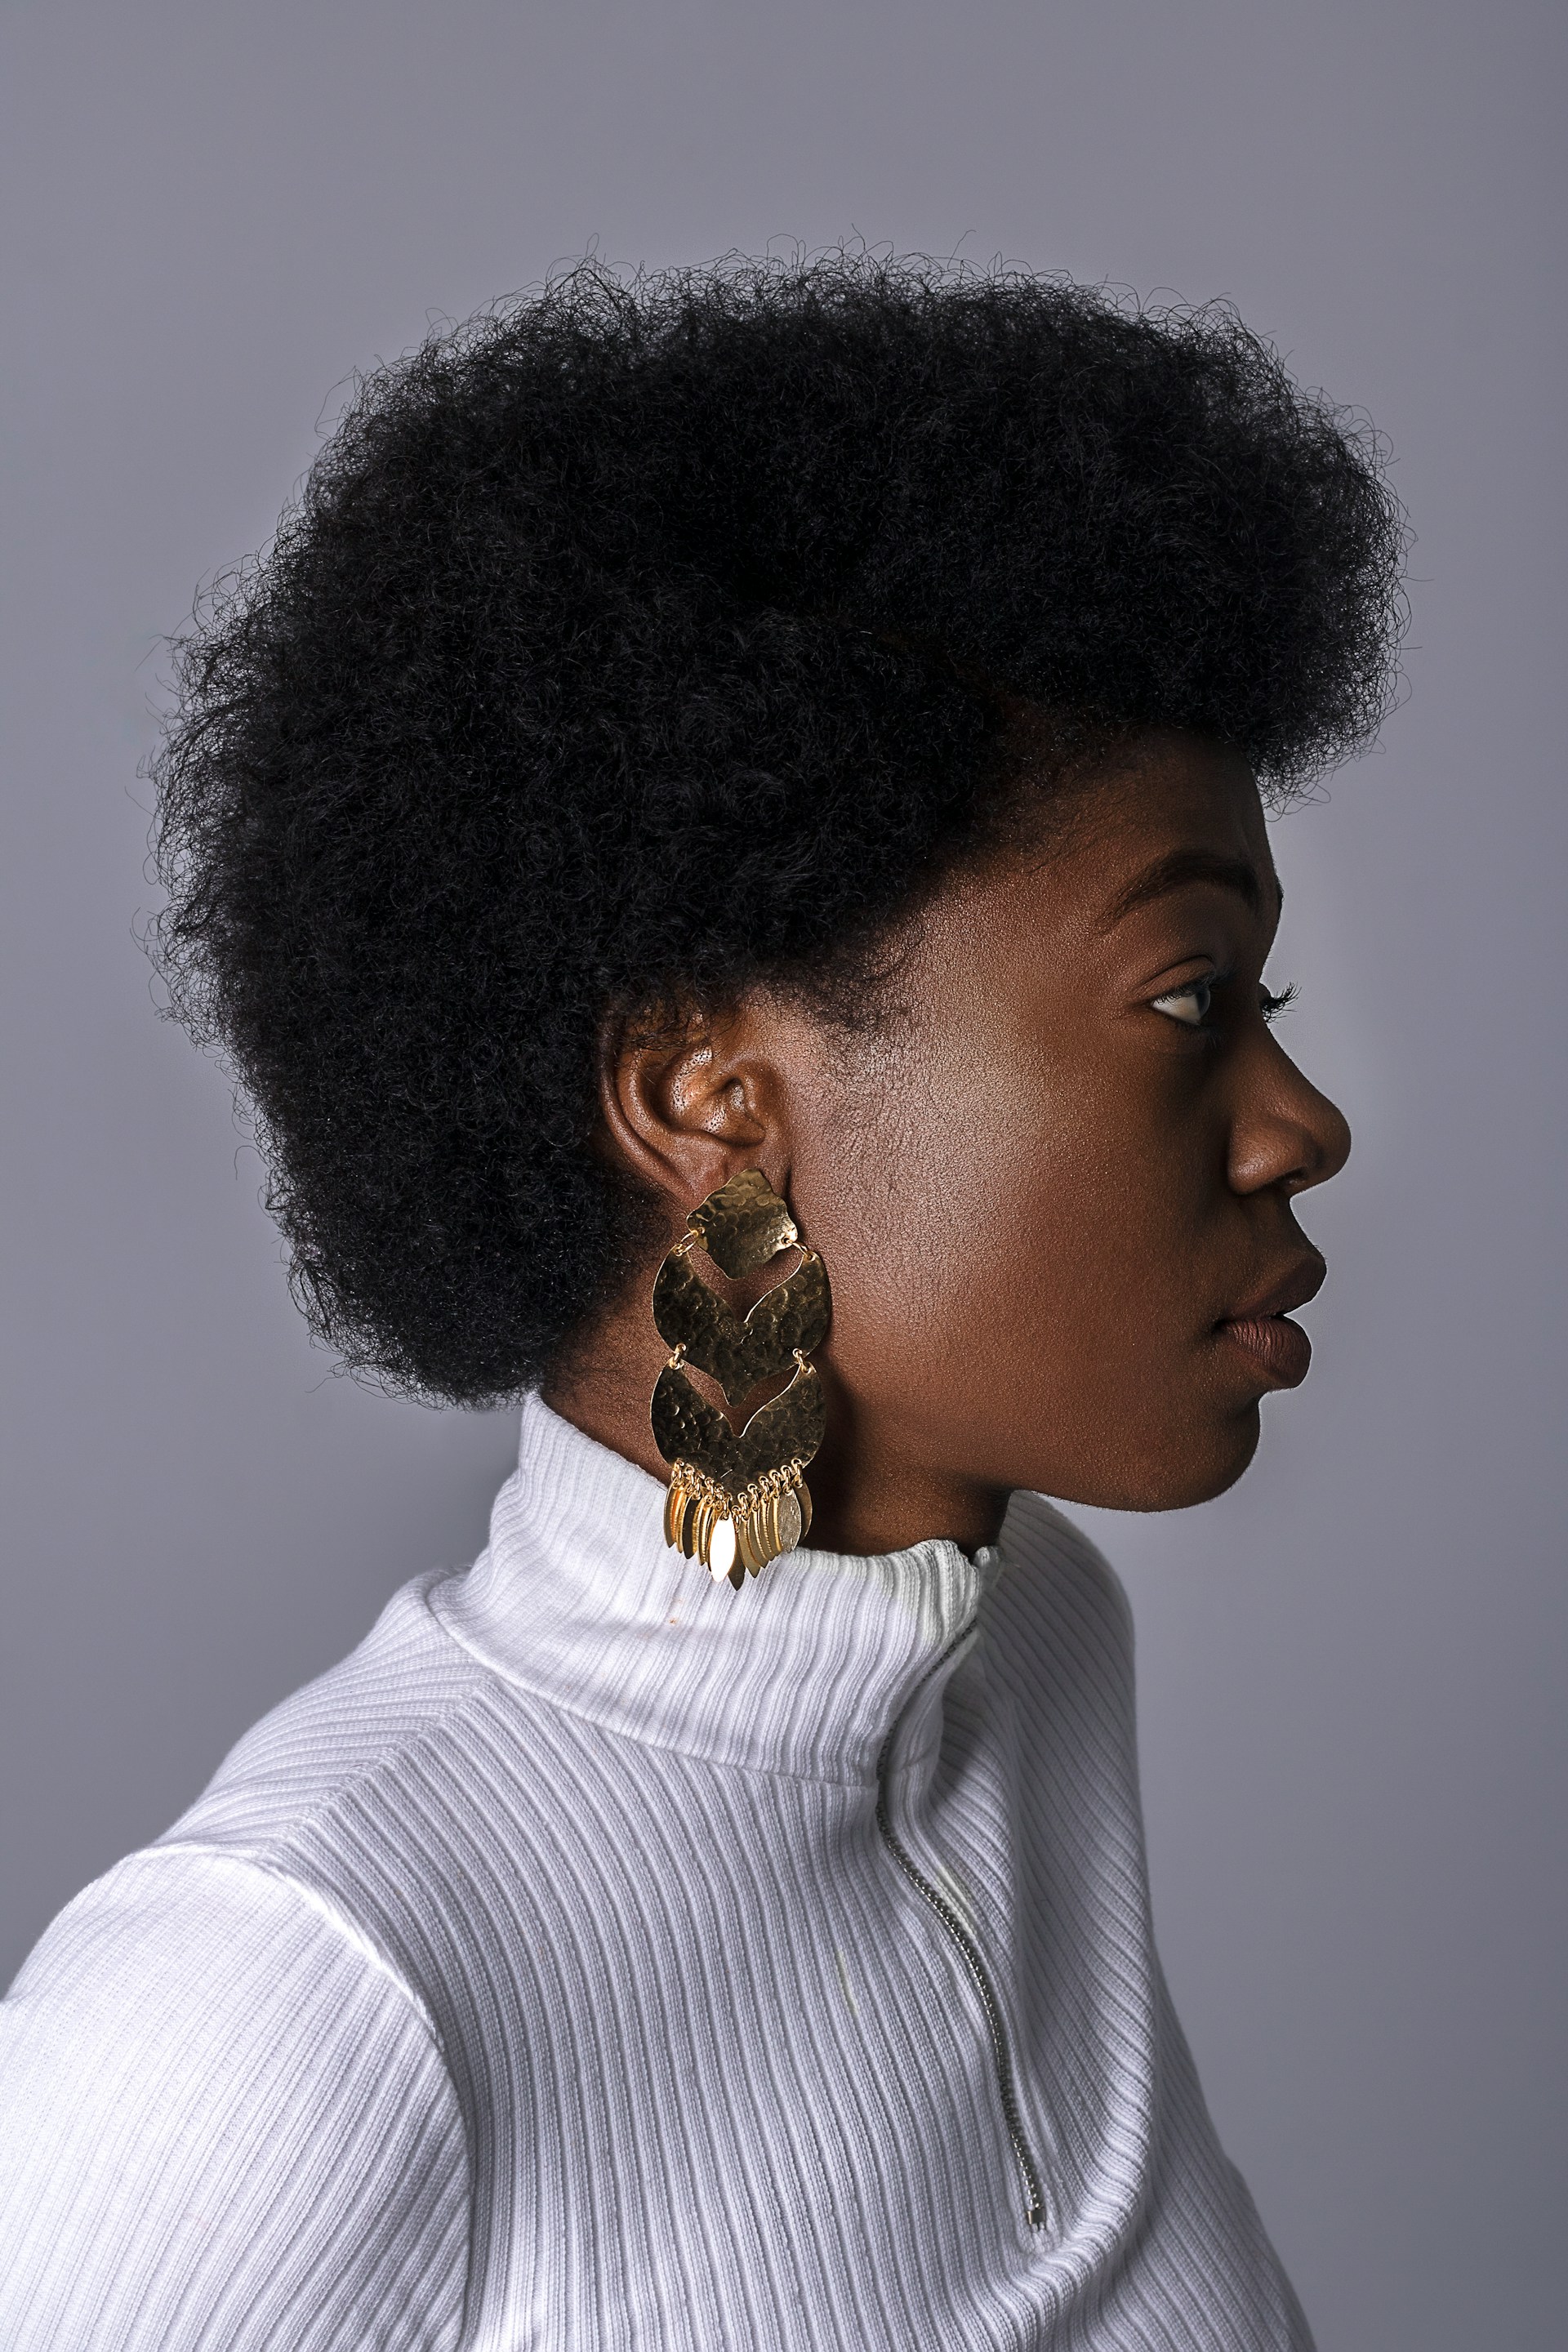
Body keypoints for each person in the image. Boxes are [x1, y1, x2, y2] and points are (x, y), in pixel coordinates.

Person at [0, 255, 1403, 2349]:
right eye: (1189, 998)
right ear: (705, 1104)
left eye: (1264, 998)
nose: (1300, 1125)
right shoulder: (289, 2001)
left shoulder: (1031, 1658)